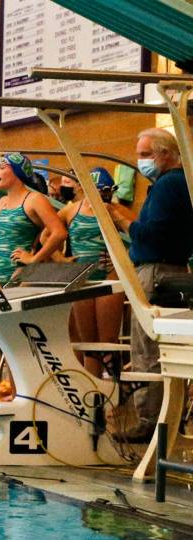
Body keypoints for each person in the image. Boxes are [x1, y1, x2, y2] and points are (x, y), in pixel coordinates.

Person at [106, 128, 193, 440]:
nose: (140, 161)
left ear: (165, 154)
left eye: (145, 155)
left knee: (147, 351)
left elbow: (150, 235)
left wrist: (118, 218)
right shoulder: (180, 183)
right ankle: (169, 418)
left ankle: (148, 422)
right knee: (165, 352)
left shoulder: (167, 185)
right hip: (171, 269)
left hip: (155, 272)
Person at [60, 168, 125, 376]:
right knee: (87, 341)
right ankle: (94, 392)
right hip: (82, 278)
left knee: (108, 342)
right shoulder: (71, 211)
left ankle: (112, 392)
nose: (104, 197)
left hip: (109, 276)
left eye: (107, 192)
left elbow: (139, 234)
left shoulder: (116, 211)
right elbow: (48, 235)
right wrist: (61, 260)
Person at [0, 153, 67, 288]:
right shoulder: (2, 202)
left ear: (18, 172)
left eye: (2, 167)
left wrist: (34, 259)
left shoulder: (34, 199)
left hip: (22, 273)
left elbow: (59, 233)